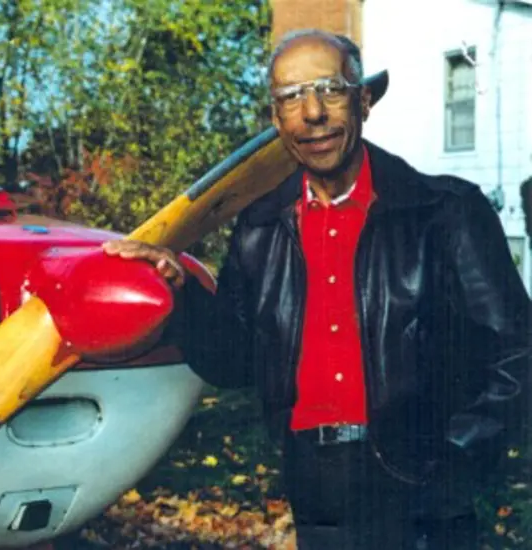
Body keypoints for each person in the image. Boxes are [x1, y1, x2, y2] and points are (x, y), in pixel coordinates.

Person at [103, 29, 532, 549]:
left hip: (423, 484)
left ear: (363, 100)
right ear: (276, 118)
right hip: (313, 481)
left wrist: (461, 454)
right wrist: (181, 295)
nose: (312, 113)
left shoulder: (443, 212)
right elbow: (236, 361)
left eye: (329, 89)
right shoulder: (260, 227)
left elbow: (517, 350)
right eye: (290, 98)